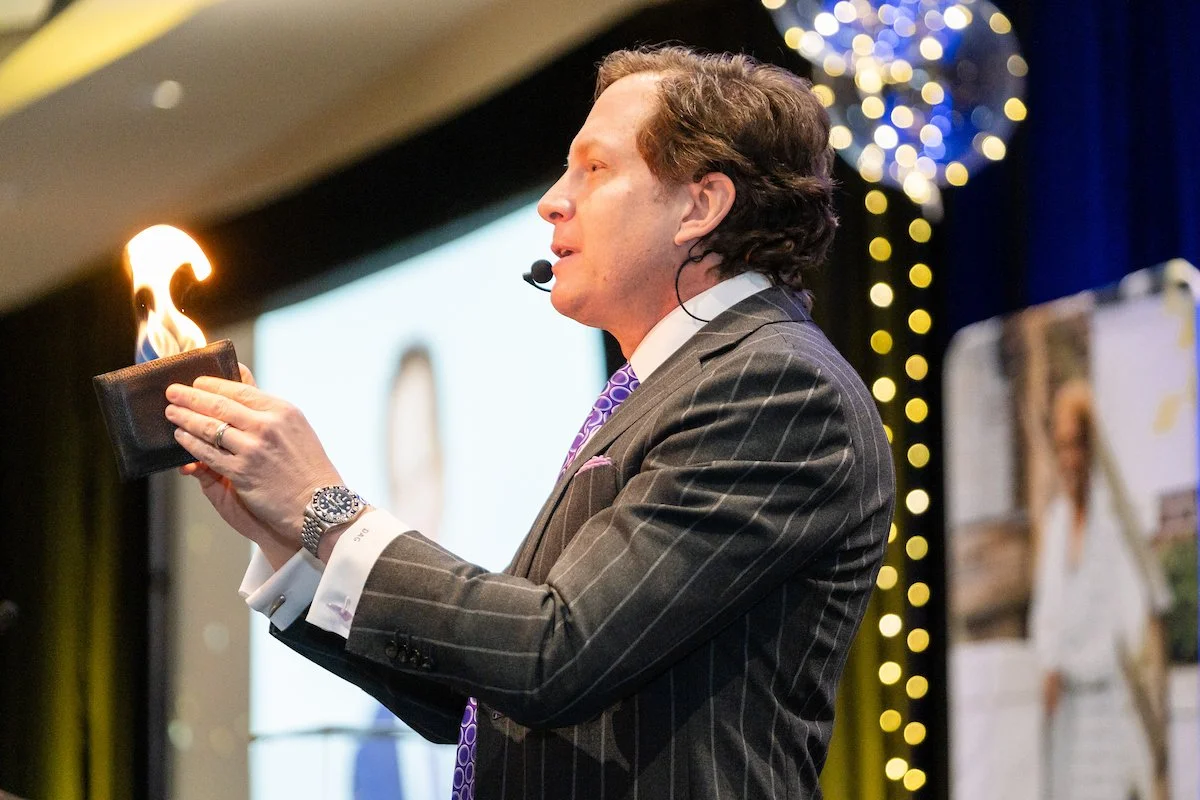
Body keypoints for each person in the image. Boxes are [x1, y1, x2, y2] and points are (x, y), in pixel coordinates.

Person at [165, 45, 894, 798]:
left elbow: (555, 656)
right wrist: (285, 530)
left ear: (701, 206)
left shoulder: (774, 386)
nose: (552, 199)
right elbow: (480, 695)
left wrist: (325, 507)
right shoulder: (674, 386)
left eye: (595, 169)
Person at [1029, 379, 1166, 800]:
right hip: (1065, 711)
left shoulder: (1118, 520)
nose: (1069, 458)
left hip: (1111, 708)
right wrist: (1051, 664)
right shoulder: (1056, 521)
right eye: (1062, 445)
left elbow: (1135, 618)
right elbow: (1047, 613)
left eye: (1077, 444)